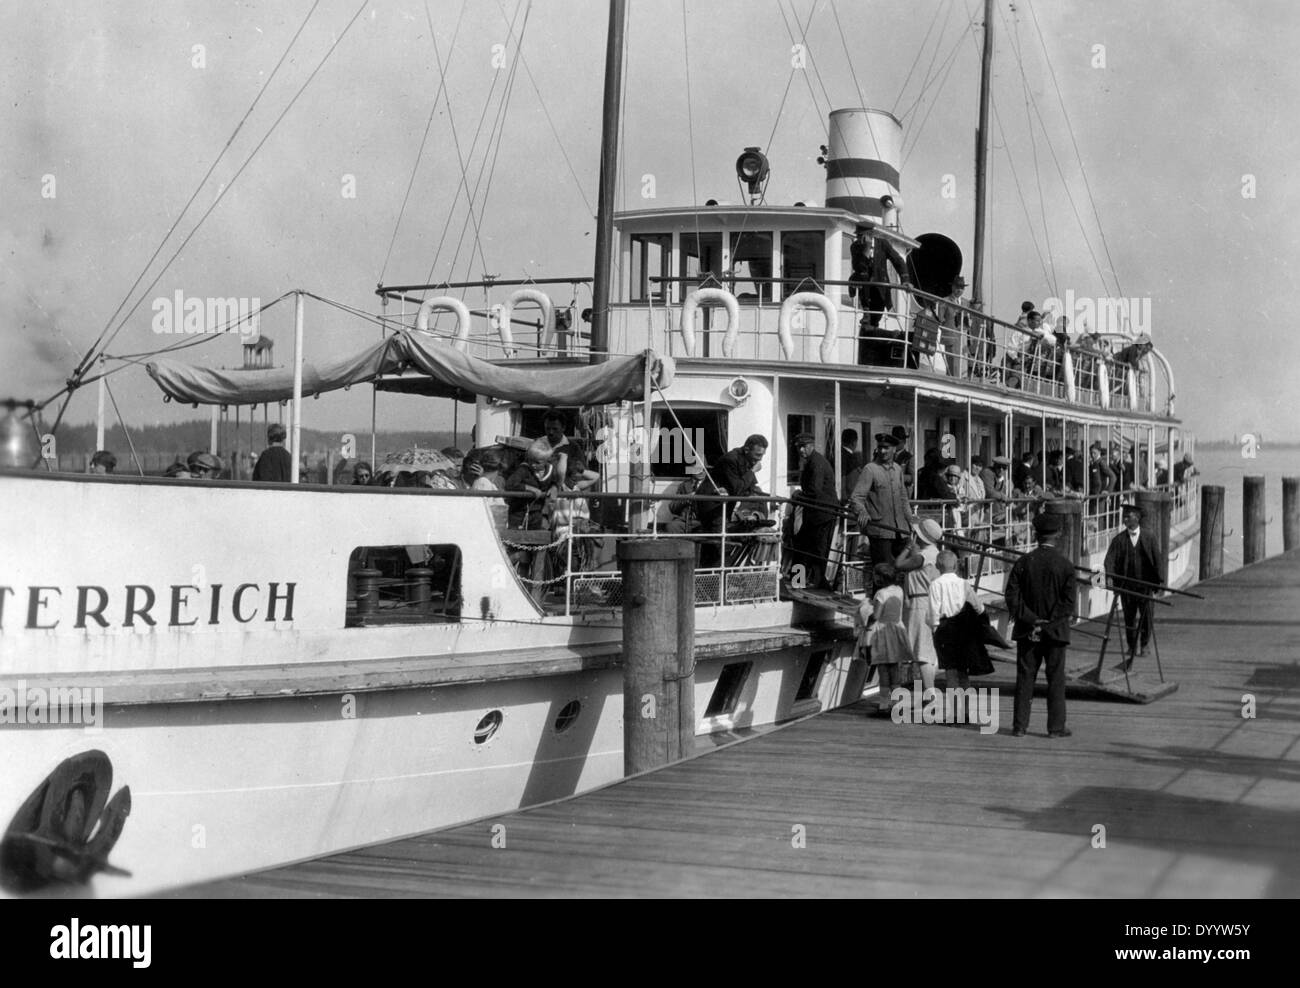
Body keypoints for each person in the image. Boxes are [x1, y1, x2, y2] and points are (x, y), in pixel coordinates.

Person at [1006, 512, 1077, 738]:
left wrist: (1031, 619)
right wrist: (1048, 622)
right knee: (1056, 679)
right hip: (1055, 632)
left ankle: (1019, 726)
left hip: (1028, 631)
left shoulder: (1024, 562)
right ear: (1057, 535)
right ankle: (1056, 728)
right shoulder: (1066, 566)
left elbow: (1012, 596)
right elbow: (1067, 603)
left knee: (1025, 677)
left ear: (1036, 535)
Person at [929, 548, 994, 719]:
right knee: (964, 673)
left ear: (937, 566)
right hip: (963, 630)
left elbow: (933, 612)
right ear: (956, 565)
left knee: (950, 674)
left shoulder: (935, 584)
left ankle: (953, 712)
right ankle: (966, 711)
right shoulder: (964, 584)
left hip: (945, 630)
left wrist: (934, 629)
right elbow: (978, 607)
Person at [1104, 503, 1163, 662]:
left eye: (1128, 516)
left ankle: (1144, 645)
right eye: (1124, 516)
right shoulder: (1119, 540)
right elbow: (1109, 560)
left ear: (1136, 518)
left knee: (1147, 617)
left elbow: (1157, 559)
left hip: (1145, 586)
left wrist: (1159, 581)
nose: (1124, 519)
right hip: (1127, 586)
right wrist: (1110, 576)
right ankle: (1131, 645)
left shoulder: (1149, 537)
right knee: (1129, 618)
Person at [895, 517, 943, 700]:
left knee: (921, 650)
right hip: (928, 602)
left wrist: (908, 548)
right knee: (927, 649)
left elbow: (898, 565)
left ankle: (930, 693)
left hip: (919, 604)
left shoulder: (923, 556)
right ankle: (929, 692)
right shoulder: (935, 553)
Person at [856, 562, 914, 711]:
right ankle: (898, 702)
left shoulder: (881, 594)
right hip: (897, 631)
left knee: (883, 670)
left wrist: (866, 617)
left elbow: (876, 615)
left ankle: (883, 703)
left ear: (880, 578)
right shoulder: (899, 590)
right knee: (895, 669)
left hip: (882, 634)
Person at [849, 432, 911, 571]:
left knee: (902, 570)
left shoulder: (897, 469)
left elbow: (903, 498)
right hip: (880, 531)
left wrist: (911, 520)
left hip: (900, 530)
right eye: (880, 447)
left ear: (894, 449)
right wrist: (862, 512)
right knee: (883, 571)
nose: (882, 451)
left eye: (886, 448)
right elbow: (856, 497)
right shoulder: (870, 469)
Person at [850, 224, 911, 365]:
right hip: (866, 292)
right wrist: (865, 250)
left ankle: (872, 354)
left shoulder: (882, 244)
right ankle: (869, 355)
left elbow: (898, 260)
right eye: (858, 236)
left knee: (874, 321)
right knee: (868, 323)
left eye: (861, 236)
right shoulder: (855, 248)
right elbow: (859, 269)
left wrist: (905, 279)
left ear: (870, 235)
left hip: (880, 291)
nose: (859, 239)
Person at [790, 432, 839, 590]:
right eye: (799, 447)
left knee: (811, 547)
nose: (801, 450)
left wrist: (798, 495)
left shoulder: (815, 463)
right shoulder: (813, 460)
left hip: (821, 512)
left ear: (812, 445)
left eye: (804, 446)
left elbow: (815, 491)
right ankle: (809, 581)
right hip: (820, 511)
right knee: (813, 547)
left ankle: (809, 582)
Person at [504, 439, 563, 529]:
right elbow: (510, 484)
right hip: (518, 512)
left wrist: (554, 487)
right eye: (530, 460)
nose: (533, 464)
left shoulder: (551, 470)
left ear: (546, 460)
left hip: (537, 513)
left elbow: (555, 481)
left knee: (536, 537)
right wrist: (528, 488)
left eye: (537, 462)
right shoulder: (524, 469)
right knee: (516, 538)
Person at [715, 434, 770, 524]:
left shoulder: (746, 460)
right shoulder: (731, 459)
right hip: (716, 509)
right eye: (757, 454)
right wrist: (752, 471)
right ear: (747, 450)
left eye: (762, 455)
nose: (760, 459)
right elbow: (737, 488)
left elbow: (750, 488)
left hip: (730, 509)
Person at [542, 410, 598, 491]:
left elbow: (582, 474)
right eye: (548, 428)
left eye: (555, 429)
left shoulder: (573, 448)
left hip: (564, 494)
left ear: (563, 428)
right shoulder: (537, 445)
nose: (551, 432)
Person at [936, 275, 970, 376]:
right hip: (950, 337)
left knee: (963, 364)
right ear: (953, 287)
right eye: (957, 287)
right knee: (952, 366)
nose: (959, 290)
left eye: (962, 288)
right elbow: (940, 319)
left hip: (962, 337)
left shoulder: (966, 303)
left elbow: (968, 320)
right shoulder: (944, 301)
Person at [890, 425, 915, 495]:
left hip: (902, 493)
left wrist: (897, 476)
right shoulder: (888, 455)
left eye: (898, 442)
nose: (895, 444)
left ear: (904, 442)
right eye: (893, 442)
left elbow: (912, 478)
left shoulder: (909, 457)